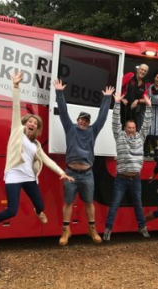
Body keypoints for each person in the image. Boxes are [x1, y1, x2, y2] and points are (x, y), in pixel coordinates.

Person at [0, 71, 74, 247]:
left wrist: (62, 172)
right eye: (30, 121)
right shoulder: (17, 132)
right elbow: (15, 107)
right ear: (24, 123)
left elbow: (47, 160)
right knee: (12, 211)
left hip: (29, 177)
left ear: (36, 129)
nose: (32, 124)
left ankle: (39, 211)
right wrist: (15, 87)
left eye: (35, 124)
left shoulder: (35, 144)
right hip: (14, 175)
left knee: (40, 205)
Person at [53, 78, 115, 246]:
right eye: (82, 119)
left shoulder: (92, 131)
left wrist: (107, 98)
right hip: (71, 173)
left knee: (89, 202)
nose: (83, 122)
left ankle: (92, 229)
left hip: (87, 174)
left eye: (86, 120)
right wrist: (59, 92)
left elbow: (102, 118)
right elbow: (64, 112)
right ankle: (66, 231)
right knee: (68, 202)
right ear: (78, 120)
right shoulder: (70, 128)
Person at [103, 91, 153, 241]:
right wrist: (117, 103)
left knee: (138, 204)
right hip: (121, 179)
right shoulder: (119, 136)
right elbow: (115, 121)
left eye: (133, 127)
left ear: (136, 128)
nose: (131, 129)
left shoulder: (141, 137)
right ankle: (108, 230)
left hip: (135, 179)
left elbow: (147, 124)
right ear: (125, 128)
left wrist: (149, 107)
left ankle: (142, 227)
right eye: (129, 127)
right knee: (115, 204)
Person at [121, 64, 149, 131]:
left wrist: (137, 101)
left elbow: (146, 100)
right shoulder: (130, 75)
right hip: (122, 107)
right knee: (121, 129)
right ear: (138, 69)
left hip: (132, 111)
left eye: (145, 71)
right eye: (142, 69)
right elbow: (118, 85)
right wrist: (121, 98)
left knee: (133, 131)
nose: (143, 72)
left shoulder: (144, 85)